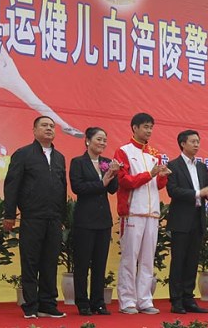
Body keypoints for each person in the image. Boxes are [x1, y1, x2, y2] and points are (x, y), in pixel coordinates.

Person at [0, 0, 83, 138]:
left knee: (35, 102)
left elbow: (14, 30)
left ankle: (66, 126)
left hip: (7, 73)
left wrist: (39, 28)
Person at [3, 116, 67, 319]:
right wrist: (9, 214)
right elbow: (12, 185)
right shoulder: (23, 154)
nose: (49, 129)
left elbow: (62, 188)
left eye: (52, 126)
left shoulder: (59, 157)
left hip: (54, 218)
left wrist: (63, 216)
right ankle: (30, 305)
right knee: (30, 262)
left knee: (50, 262)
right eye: (44, 125)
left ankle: (48, 304)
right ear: (34, 130)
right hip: (32, 216)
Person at [114, 112, 171, 315]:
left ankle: (145, 300)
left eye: (151, 127)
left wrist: (162, 176)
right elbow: (125, 181)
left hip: (152, 213)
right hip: (133, 212)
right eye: (145, 127)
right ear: (135, 128)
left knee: (148, 259)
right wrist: (151, 174)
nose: (149, 131)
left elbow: (157, 185)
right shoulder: (123, 151)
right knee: (130, 258)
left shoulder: (154, 154)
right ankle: (127, 300)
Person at [69, 127, 120, 316]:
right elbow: (78, 188)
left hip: (103, 220)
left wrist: (114, 174)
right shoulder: (78, 162)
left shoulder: (107, 162)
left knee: (100, 264)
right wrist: (102, 182)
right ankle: (82, 302)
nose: (102, 143)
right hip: (84, 219)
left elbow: (113, 189)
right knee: (82, 264)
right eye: (99, 139)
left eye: (105, 140)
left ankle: (98, 302)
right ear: (87, 141)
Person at [166, 130, 208, 314]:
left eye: (198, 141)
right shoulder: (173, 165)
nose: (196, 144)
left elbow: (206, 191)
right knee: (178, 260)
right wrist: (198, 193)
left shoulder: (202, 167)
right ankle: (176, 301)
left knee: (193, 261)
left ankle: (189, 298)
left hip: (198, 218)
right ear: (182, 144)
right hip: (180, 219)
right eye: (193, 141)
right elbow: (173, 191)